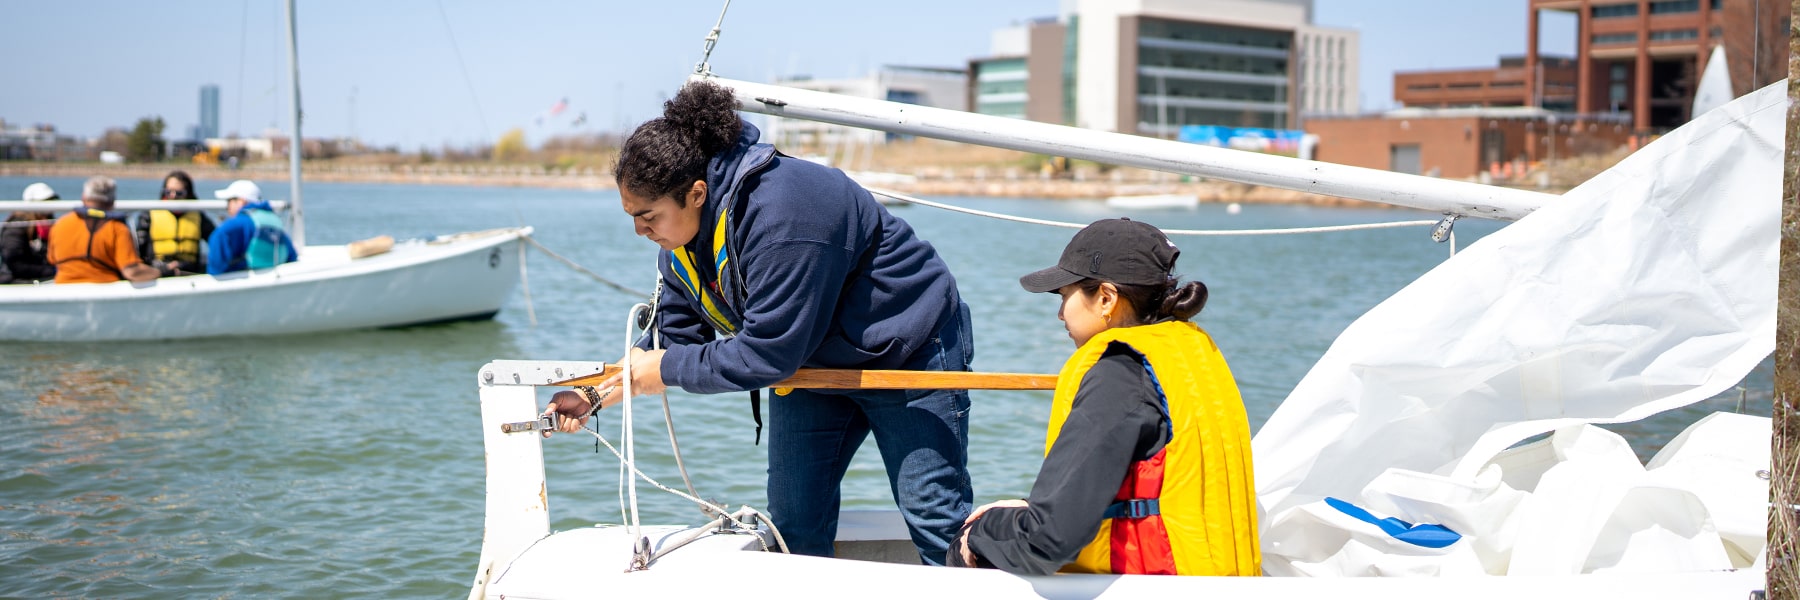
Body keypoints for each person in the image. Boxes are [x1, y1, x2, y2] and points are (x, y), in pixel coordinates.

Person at [544, 80, 975, 565]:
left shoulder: (785, 214)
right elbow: (672, 342)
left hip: (908, 348)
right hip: (810, 365)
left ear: (697, 193)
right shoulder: (681, 242)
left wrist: (660, 369)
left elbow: (766, 352)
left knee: (936, 522)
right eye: (631, 217)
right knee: (792, 529)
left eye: (648, 217)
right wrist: (593, 393)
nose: (640, 232)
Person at [949, 218, 1259, 576]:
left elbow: (1046, 541)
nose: (1060, 313)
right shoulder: (1187, 355)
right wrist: (1026, 507)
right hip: (1217, 585)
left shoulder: (1119, 375)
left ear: (1106, 298)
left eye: (1065, 296)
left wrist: (979, 534)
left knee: (965, 552)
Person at [46, 176, 159, 284]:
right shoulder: (117, 228)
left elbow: (52, 259)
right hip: (104, 291)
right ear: (112, 202)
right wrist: (160, 272)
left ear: (84, 197)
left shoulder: (60, 224)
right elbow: (132, 272)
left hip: (63, 287)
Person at [134, 170, 218, 276]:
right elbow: (137, 250)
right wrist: (162, 268)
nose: (173, 196)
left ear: (188, 194)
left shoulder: (198, 216)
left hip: (189, 271)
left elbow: (217, 241)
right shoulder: (149, 216)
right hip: (158, 271)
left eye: (179, 193)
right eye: (168, 192)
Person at [206, 179, 297, 275]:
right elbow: (291, 255)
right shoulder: (274, 221)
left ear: (241, 201)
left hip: (241, 281)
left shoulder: (241, 222)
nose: (228, 207)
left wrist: (214, 273)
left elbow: (218, 236)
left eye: (230, 201)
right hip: (270, 277)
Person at [1, 182, 60, 283]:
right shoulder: (16, 226)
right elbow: (15, 264)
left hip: (45, 279)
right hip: (16, 281)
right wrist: (51, 271)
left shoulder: (52, 225)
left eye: (52, 201)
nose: (49, 208)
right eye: (45, 202)